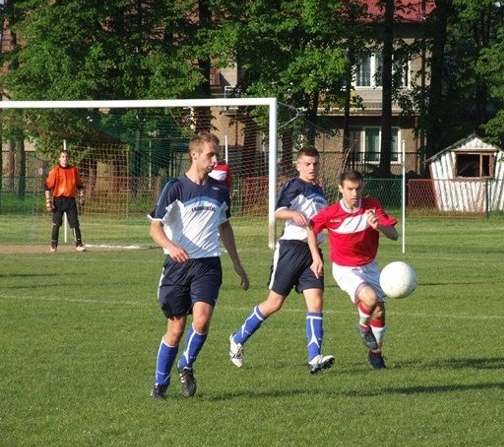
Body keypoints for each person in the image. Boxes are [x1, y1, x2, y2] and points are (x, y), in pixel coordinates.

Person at [148, 132, 250, 399]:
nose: (215, 159)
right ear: (194, 155)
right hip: (178, 266)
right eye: (210, 154)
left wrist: (237, 264)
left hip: (208, 264)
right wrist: (171, 247)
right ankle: (160, 384)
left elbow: (225, 227)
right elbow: (154, 227)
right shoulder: (176, 187)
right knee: (176, 328)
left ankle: (186, 364)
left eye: (216, 154)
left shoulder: (219, 190)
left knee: (202, 320)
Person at [229, 146, 335, 374]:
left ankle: (314, 358)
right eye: (307, 164)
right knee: (274, 304)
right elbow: (277, 212)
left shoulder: (320, 191)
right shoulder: (294, 185)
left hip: (312, 252)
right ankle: (237, 339)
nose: (312, 168)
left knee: (316, 302)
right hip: (290, 249)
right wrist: (292, 214)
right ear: (298, 166)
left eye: (315, 164)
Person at [307, 169, 398, 369]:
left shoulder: (372, 206)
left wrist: (379, 227)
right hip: (345, 269)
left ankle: (375, 354)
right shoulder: (331, 213)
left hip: (370, 267)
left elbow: (394, 235)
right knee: (371, 299)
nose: (354, 194)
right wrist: (315, 257)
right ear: (341, 189)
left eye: (357, 189)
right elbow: (311, 229)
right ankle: (362, 326)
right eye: (349, 189)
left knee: (380, 312)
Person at [44, 149, 86, 252]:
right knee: (56, 223)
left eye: (66, 157)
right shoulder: (55, 171)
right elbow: (47, 187)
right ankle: (53, 246)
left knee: (75, 223)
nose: (65, 159)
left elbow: (80, 186)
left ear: (69, 158)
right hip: (58, 200)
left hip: (70, 200)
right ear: (59, 158)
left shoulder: (73, 170)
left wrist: (81, 196)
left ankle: (79, 245)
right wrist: (48, 201)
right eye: (62, 157)